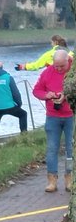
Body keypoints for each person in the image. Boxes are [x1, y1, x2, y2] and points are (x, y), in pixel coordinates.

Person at [33, 48, 73, 192]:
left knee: (71, 149)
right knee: (51, 148)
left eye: (62, 66)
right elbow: (36, 90)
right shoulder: (47, 72)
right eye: (56, 66)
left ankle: (69, 178)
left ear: (68, 61)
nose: (59, 69)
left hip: (71, 115)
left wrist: (66, 95)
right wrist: (47, 95)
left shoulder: (73, 71)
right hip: (53, 116)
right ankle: (52, 180)